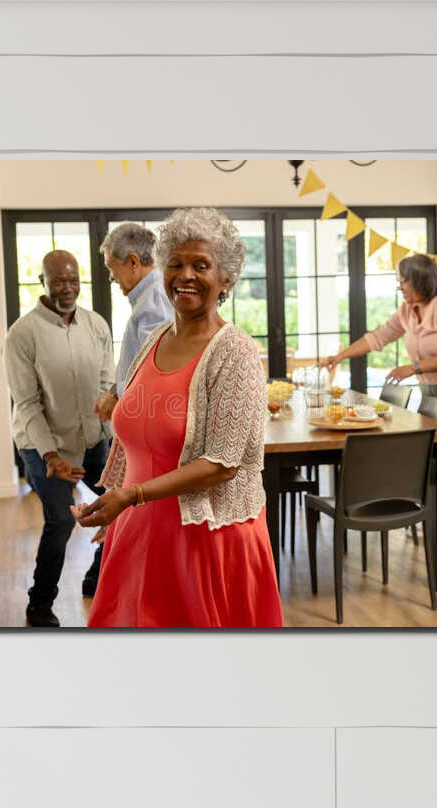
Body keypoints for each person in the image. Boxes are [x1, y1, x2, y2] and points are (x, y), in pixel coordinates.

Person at [75, 207, 282, 629]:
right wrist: (114, 503)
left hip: (206, 540)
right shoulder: (153, 340)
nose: (185, 275)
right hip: (137, 533)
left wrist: (131, 498)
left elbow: (221, 465)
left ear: (225, 280)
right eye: (176, 264)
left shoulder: (235, 352)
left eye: (200, 265)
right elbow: (135, 436)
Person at [320, 253, 437, 536]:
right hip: (432, 387)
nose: (400, 287)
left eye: (403, 282)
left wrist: (414, 367)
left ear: (421, 280)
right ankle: (435, 517)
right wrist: (339, 356)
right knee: (430, 455)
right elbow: (378, 336)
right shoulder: (408, 310)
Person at [6, 248, 113, 627]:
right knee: (60, 521)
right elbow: (28, 403)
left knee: (120, 506)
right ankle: (39, 605)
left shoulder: (96, 325)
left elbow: (106, 386)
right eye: (59, 281)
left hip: (91, 437)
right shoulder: (22, 334)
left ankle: (97, 575)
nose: (67, 288)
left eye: (73, 280)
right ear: (43, 282)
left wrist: (113, 439)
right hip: (41, 445)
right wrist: (52, 456)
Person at [94, 222, 174, 424]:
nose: (112, 277)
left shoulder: (154, 298)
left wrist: (115, 394)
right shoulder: (150, 296)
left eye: (112, 268)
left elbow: (157, 371)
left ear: (132, 262)